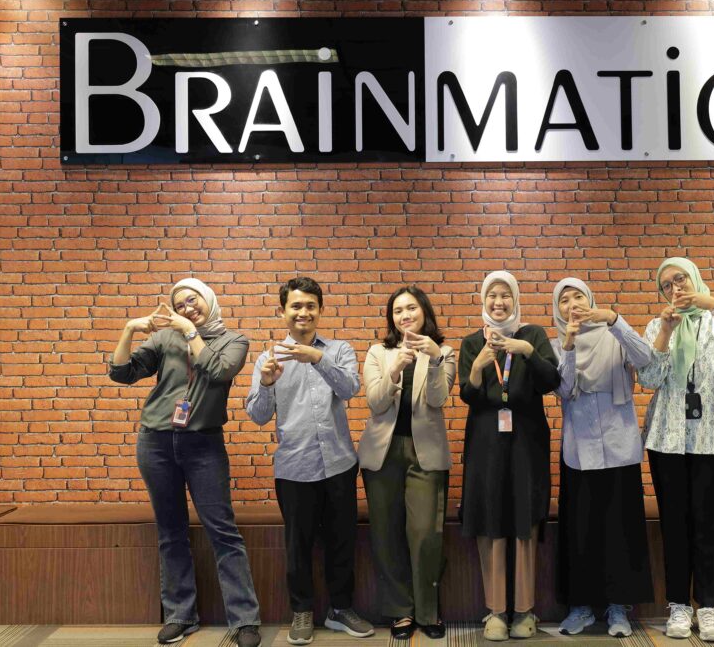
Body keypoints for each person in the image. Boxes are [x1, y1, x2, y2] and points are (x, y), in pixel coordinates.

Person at [108, 277, 262, 647]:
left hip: (203, 444)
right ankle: (180, 615)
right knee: (171, 531)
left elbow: (219, 371)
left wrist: (190, 331)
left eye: (193, 300)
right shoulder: (165, 338)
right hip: (156, 442)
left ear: (208, 299)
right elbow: (122, 373)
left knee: (222, 531)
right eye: (180, 305)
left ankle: (244, 621)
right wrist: (129, 330)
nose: (187, 308)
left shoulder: (234, 340)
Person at [245, 277, 374, 646]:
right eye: (296, 306)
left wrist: (317, 358)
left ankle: (340, 609)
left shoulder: (339, 350)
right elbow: (257, 416)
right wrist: (267, 383)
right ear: (283, 311)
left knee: (341, 541)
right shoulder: (268, 359)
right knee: (297, 546)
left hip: (339, 464)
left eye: (310, 306)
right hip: (294, 467)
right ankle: (301, 610)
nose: (303, 312)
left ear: (320, 310)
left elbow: (350, 388)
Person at [639, 258, 714, 643]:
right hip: (668, 440)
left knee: (709, 526)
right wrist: (665, 331)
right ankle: (678, 605)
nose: (675, 288)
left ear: (694, 278)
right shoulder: (658, 325)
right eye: (666, 285)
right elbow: (648, 378)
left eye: (680, 279)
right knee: (674, 526)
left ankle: (708, 606)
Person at [458, 270, 561, 641]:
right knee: (490, 523)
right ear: (483, 301)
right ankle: (496, 611)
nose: (498, 302)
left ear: (515, 300)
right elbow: (468, 396)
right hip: (485, 446)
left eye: (505, 295)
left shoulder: (532, 336)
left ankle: (524, 611)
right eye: (492, 295)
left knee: (524, 522)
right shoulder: (473, 342)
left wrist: (527, 352)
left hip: (526, 446)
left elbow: (551, 382)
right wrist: (477, 365)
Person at [550, 278, 655, 637]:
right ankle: (580, 607)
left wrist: (614, 319)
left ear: (590, 300)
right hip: (579, 451)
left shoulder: (615, 335)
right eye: (564, 300)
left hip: (620, 448)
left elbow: (646, 360)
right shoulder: (556, 344)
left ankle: (618, 608)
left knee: (619, 532)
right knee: (581, 533)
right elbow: (564, 389)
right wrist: (568, 347)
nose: (572, 305)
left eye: (578, 296)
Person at [358, 286, 457, 641]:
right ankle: (400, 610)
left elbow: (437, 399)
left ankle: (428, 611)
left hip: (425, 452)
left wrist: (434, 360)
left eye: (411, 308)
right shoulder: (378, 352)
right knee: (386, 533)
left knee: (426, 534)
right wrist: (396, 368)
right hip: (382, 453)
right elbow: (375, 402)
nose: (405, 315)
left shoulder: (444, 351)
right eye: (397, 311)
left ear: (423, 311)